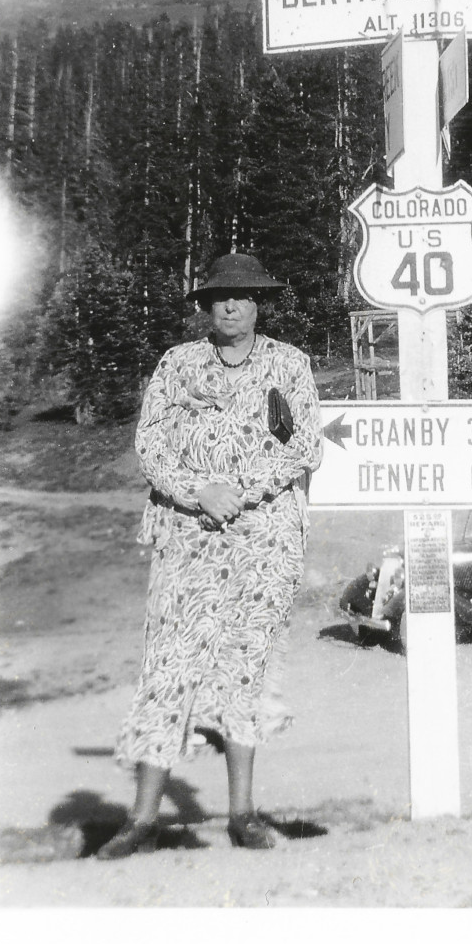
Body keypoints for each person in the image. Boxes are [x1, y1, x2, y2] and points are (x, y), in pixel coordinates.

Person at [98, 253, 323, 858]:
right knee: (169, 666)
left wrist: (239, 493)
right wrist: (199, 492)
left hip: (264, 539)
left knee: (245, 670)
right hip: (186, 536)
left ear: (259, 304)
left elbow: (303, 448)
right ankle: (142, 819)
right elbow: (149, 444)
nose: (232, 305)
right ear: (206, 304)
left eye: (244, 296)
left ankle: (243, 815)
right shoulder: (177, 365)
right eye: (221, 296)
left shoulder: (290, 365)